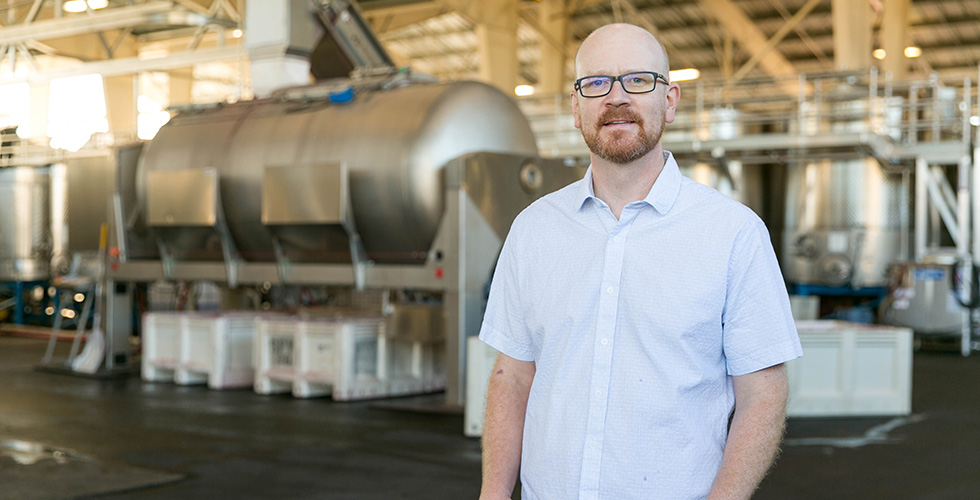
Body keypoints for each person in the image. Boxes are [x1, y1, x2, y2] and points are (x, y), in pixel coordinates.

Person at [478, 23, 803, 500]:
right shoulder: (534, 229)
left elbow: (762, 395)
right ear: (575, 107)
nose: (616, 97)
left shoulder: (733, 233)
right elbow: (513, 376)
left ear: (669, 101)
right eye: (597, 83)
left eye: (638, 80)